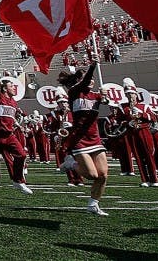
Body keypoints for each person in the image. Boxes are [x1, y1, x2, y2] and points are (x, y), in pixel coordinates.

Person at [57, 58, 110, 214]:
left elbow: (106, 102)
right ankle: (70, 164)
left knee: (103, 176)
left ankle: (93, 204)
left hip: (95, 138)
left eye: (92, 79)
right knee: (92, 175)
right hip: (79, 139)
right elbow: (85, 80)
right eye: (87, 78)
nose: (91, 80)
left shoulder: (95, 96)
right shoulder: (74, 93)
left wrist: (105, 97)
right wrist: (92, 66)